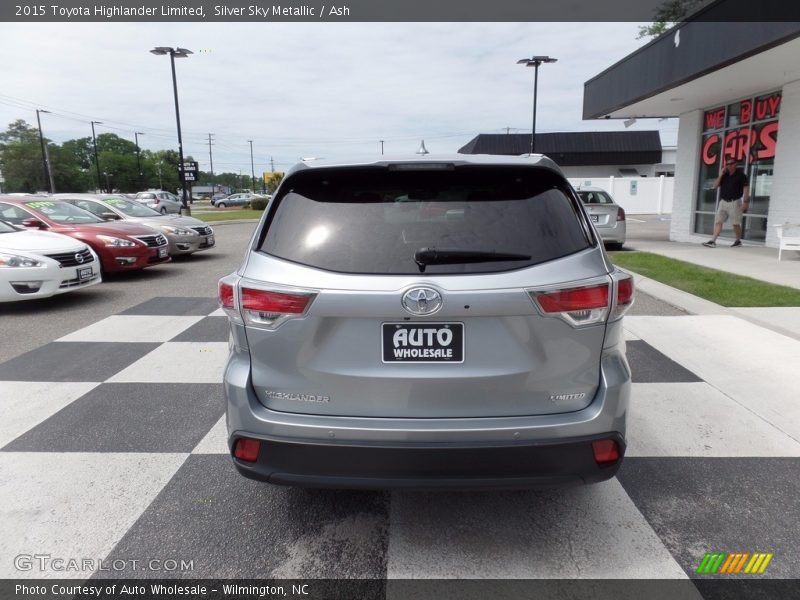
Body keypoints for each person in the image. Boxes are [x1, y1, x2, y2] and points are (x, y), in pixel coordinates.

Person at [703, 158, 750, 247]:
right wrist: (721, 175)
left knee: (735, 223)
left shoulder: (741, 175)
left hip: (735, 202)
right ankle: (713, 241)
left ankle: (738, 241)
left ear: (735, 164)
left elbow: (746, 188)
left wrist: (745, 202)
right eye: (727, 164)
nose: (728, 165)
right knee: (718, 221)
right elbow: (715, 185)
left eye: (731, 163)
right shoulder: (725, 175)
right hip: (723, 202)